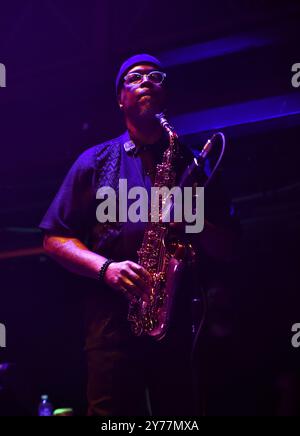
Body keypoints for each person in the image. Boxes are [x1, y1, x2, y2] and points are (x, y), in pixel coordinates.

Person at [40, 54, 237, 416]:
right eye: (135, 77)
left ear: (166, 94)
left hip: (180, 329)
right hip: (112, 328)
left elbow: (227, 246)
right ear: (121, 98)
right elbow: (54, 239)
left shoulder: (194, 164)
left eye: (156, 77)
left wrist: (193, 221)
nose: (147, 81)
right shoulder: (95, 161)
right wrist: (107, 269)